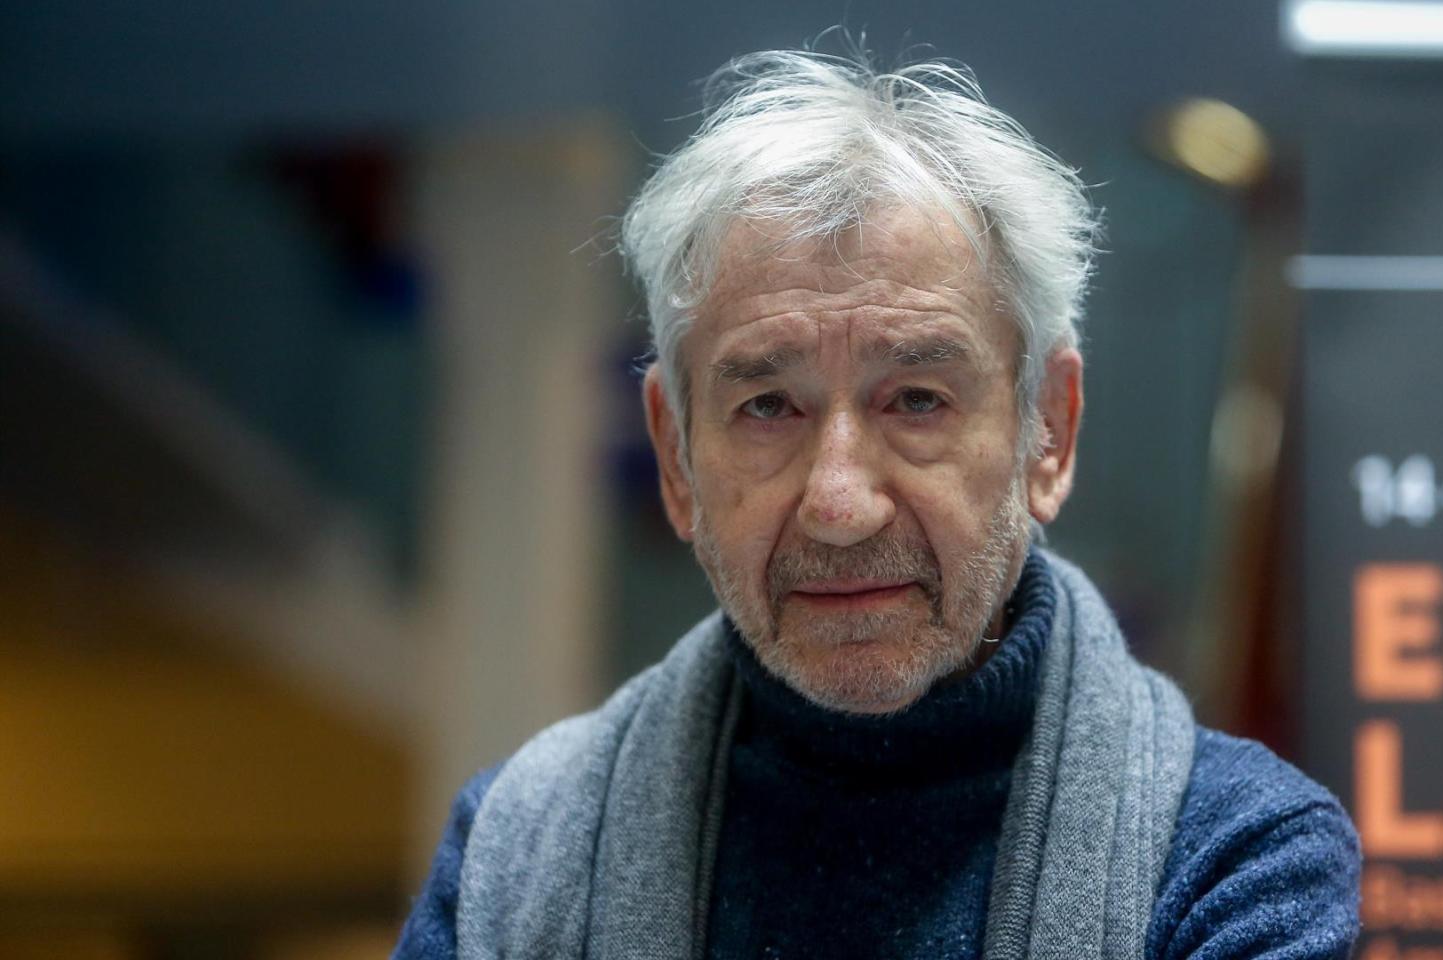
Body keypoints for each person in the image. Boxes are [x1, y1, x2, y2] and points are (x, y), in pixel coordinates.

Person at [393, 47, 1360, 960]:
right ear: (676, 458)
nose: (840, 503)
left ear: (1050, 433)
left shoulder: (1239, 859)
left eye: (918, 400)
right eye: (767, 406)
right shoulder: (514, 850)